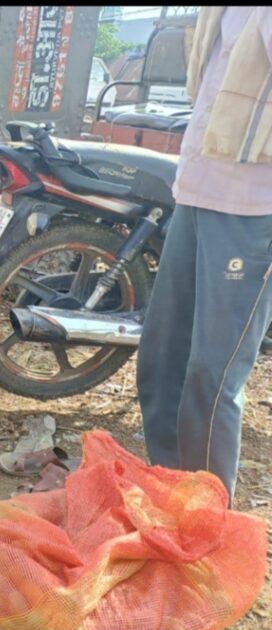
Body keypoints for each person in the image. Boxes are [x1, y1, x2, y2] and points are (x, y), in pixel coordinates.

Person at [137, 7, 272, 502]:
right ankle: (170, 495)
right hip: (196, 190)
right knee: (161, 360)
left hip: (251, 207)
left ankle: (208, 518)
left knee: (211, 380)